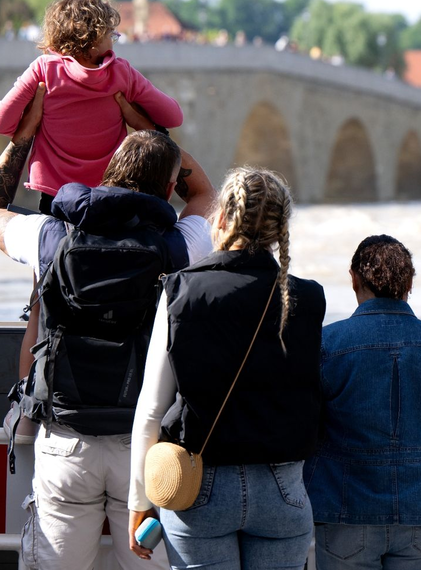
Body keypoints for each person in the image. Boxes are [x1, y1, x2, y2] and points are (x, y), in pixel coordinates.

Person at [0, 95, 216, 570]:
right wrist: (153, 134)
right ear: (169, 188)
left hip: (67, 438)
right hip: (144, 445)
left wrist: (24, 138)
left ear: (107, 174)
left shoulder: (51, 238)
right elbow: (206, 195)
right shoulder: (179, 248)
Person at [129, 167, 326, 569]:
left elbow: (151, 408)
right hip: (282, 488)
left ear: (220, 217)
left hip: (199, 484)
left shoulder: (182, 290)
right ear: (280, 228)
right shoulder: (308, 298)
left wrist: (140, 500)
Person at [305, 235, 421, 570]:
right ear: (410, 283)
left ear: (354, 279)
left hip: (346, 508)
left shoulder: (325, 344)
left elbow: (304, 430)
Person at [0, 0, 183, 214]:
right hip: (108, 193)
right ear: (94, 40)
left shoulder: (43, 70)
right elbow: (173, 117)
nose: (114, 42)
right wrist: (135, 115)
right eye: (111, 35)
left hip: (56, 195)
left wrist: (31, 120)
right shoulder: (121, 73)